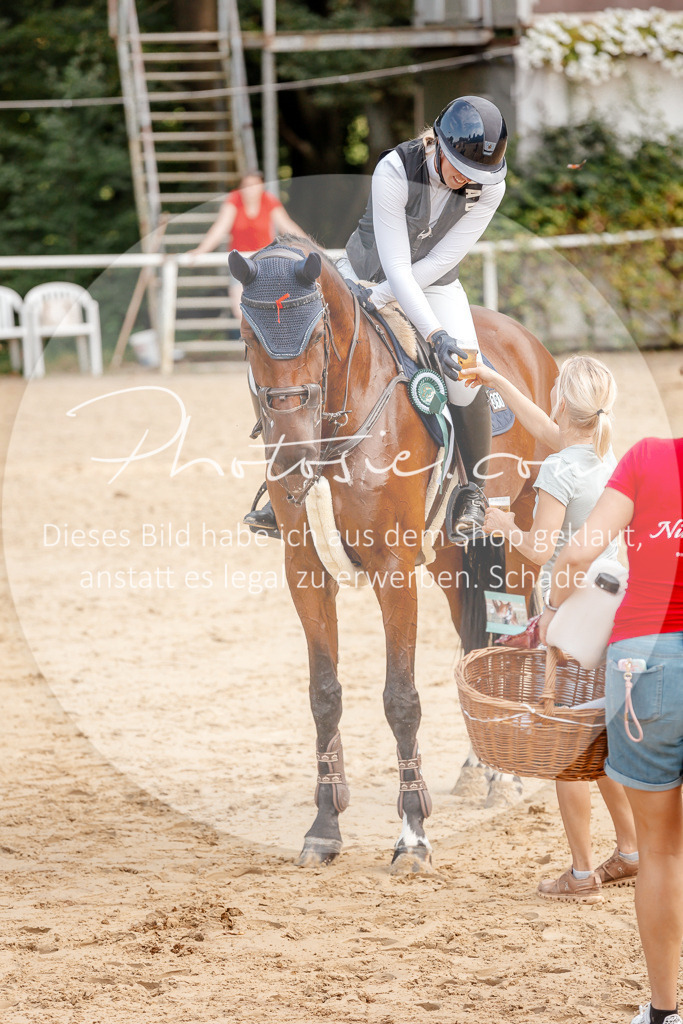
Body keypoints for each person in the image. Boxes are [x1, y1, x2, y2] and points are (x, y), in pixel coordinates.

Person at [246, 95, 508, 538]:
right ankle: (283, 482)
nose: (466, 180)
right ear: (437, 146)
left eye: (477, 175)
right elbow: (394, 264)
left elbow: (440, 259)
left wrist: (438, 334)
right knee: (307, 358)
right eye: (460, 167)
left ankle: (474, 491)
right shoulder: (395, 169)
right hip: (363, 274)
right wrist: (374, 300)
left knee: (465, 375)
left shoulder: (490, 187)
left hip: (436, 285)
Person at [461, 354, 639, 902]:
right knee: (596, 736)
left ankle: (582, 871)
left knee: (564, 748)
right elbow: (547, 428)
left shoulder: (559, 471)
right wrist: (494, 380)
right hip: (616, 609)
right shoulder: (607, 456)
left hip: (574, 620)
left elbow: (541, 551)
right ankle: (630, 851)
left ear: (565, 402)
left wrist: (503, 523)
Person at [539, 436, 683, 1024]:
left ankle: (664, 1012)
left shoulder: (648, 457)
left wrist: (552, 608)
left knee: (661, 850)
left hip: (646, 663)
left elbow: (577, 556)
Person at [188, 170, 303, 321]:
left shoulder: (268, 200)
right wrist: (201, 250)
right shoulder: (234, 199)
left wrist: (312, 248)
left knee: (267, 307)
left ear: (262, 186)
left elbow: (287, 226)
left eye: (255, 185)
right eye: (246, 185)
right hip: (240, 262)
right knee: (240, 310)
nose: (250, 189)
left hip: (264, 262)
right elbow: (221, 227)